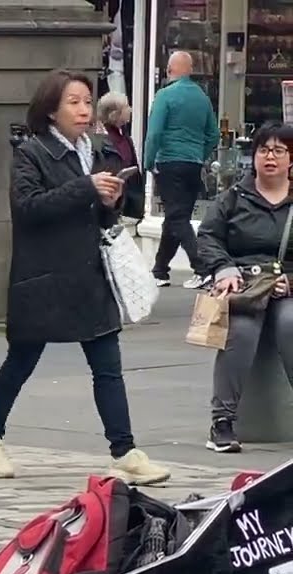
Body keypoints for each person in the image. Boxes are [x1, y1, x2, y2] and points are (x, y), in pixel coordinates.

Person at [0, 69, 170, 485]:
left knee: (107, 365)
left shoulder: (94, 151)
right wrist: (86, 188)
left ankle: (125, 449)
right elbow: (28, 207)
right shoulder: (32, 152)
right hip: (43, 277)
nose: (83, 110)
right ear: (51, 110)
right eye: (74, 102)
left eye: (86, 101)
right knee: (20, 362)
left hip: (89, 275)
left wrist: (110, 201)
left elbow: (97, 213)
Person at [196, 122, 293, 453]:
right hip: (244, 285)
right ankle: (222, 422)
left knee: (290, 323)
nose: (270, 157)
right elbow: (207, 237)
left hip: (284, 287)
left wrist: (289, 282)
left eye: (279, 150)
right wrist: (223, 269)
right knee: (240, 330)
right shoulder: (233, 198)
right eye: (264, 150)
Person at [144, 50, 219, 290]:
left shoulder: (165, 95)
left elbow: (154, 133)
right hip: (193, 163)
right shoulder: (202, 97)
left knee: (176, 217)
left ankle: (203, 268)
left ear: (169, 70)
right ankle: (160, 270)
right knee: (177, 218)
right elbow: (214, 135)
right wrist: (201, 154)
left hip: (169, 161)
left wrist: (148, 161)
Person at [94, 91, 145, 227]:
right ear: (115, 113)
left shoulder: (124, 137)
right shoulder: (100, 140)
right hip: (111, 200)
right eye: (126, 107)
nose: (130, 110)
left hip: (127, 203)